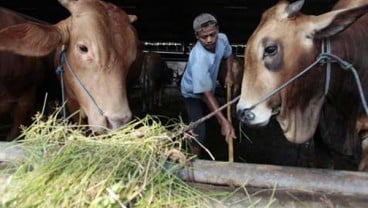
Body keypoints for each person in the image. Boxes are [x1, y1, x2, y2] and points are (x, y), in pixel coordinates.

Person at [180, 13, 236, 156]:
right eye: (204, 37)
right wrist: (223, 121)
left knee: (211, 119)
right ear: (197, 36)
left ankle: (209, 146)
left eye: (213, 34)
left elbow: (228, 55)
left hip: (207, 87)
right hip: (192, 93)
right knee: (199, 129)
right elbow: (206, 94)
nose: (210, 40)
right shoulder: (199, 58)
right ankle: (193, 160)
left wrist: (229, 73)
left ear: (217, 30)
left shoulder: (222, 39)